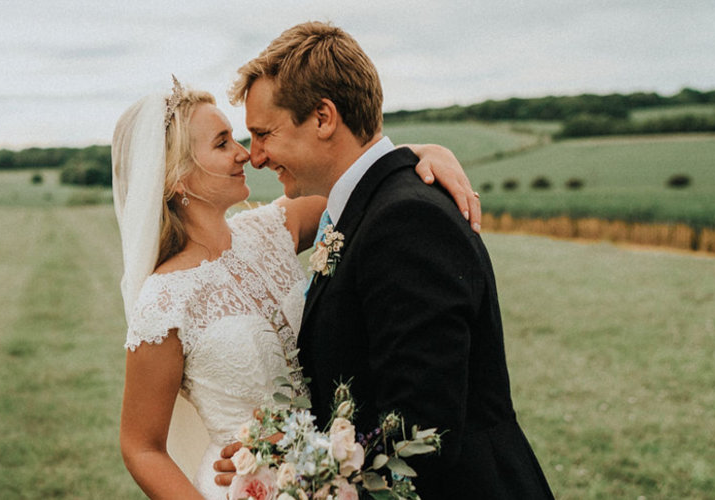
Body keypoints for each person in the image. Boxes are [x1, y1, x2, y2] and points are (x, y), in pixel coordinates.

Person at [215, 21, 554, 498]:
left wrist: (287, 459)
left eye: (263, 134)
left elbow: (424, 433)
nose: (256, 156)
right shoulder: (365, 207)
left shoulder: (407, 221)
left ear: (323, 118)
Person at [113, 77, 481, 499]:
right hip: (246, 487)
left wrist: (425, 152)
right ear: (177, 177)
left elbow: (361, 179)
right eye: (222, 144)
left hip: (337, 470)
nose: (245, 154)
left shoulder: (272, 229)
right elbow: (141, 446)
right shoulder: (165, 300)